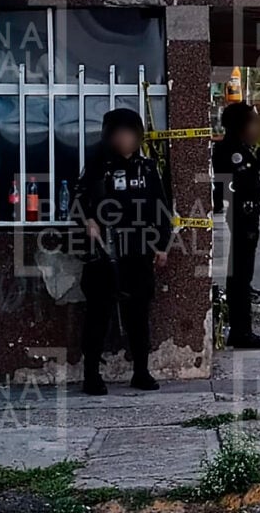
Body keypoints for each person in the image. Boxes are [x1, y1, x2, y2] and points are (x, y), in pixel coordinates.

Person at [74, 108, 172, 395]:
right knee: (97, 316)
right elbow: (78, 201)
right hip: (104, 253)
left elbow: (162, 209)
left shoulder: (149, 168)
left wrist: (162, 244)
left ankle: (141, 372)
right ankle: (91, 375)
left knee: (139, 316)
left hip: (139, 251)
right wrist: (89, 220)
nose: (125, 139)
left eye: (130, 133)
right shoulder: (97, 166)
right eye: (119, 133)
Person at [212, 103, 260, 349]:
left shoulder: (247, 151)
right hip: (235, 221)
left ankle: (241, 328)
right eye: (252, 122)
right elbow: (236, 188)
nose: (257, 128)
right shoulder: (230, 152)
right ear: (240, 125)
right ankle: (241, 332)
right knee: (239, 279)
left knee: (242, 278)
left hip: (247, 219)